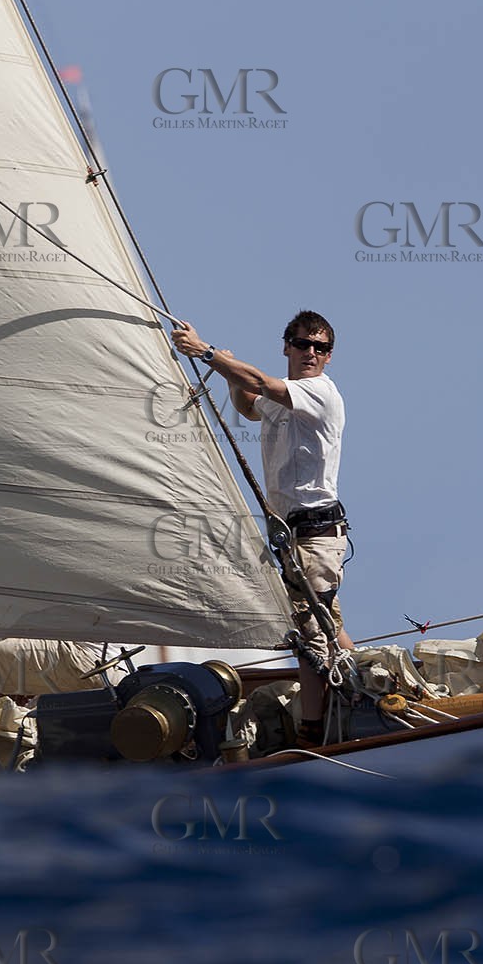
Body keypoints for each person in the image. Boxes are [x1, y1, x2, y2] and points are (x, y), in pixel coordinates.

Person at [171, 310, 353, 748]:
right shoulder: (285, 398)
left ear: (329, 357)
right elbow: (250, 405)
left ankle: (314, 730)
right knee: (323, 619)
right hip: (291, 534)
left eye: (320, 347)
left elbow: (264, 384)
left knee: (309, 630)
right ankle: (360, 685)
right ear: (286, 346)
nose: (311, 352)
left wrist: (208, 353)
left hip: (315, 532)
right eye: (303, 343)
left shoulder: (320, 394)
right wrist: (234, 379)